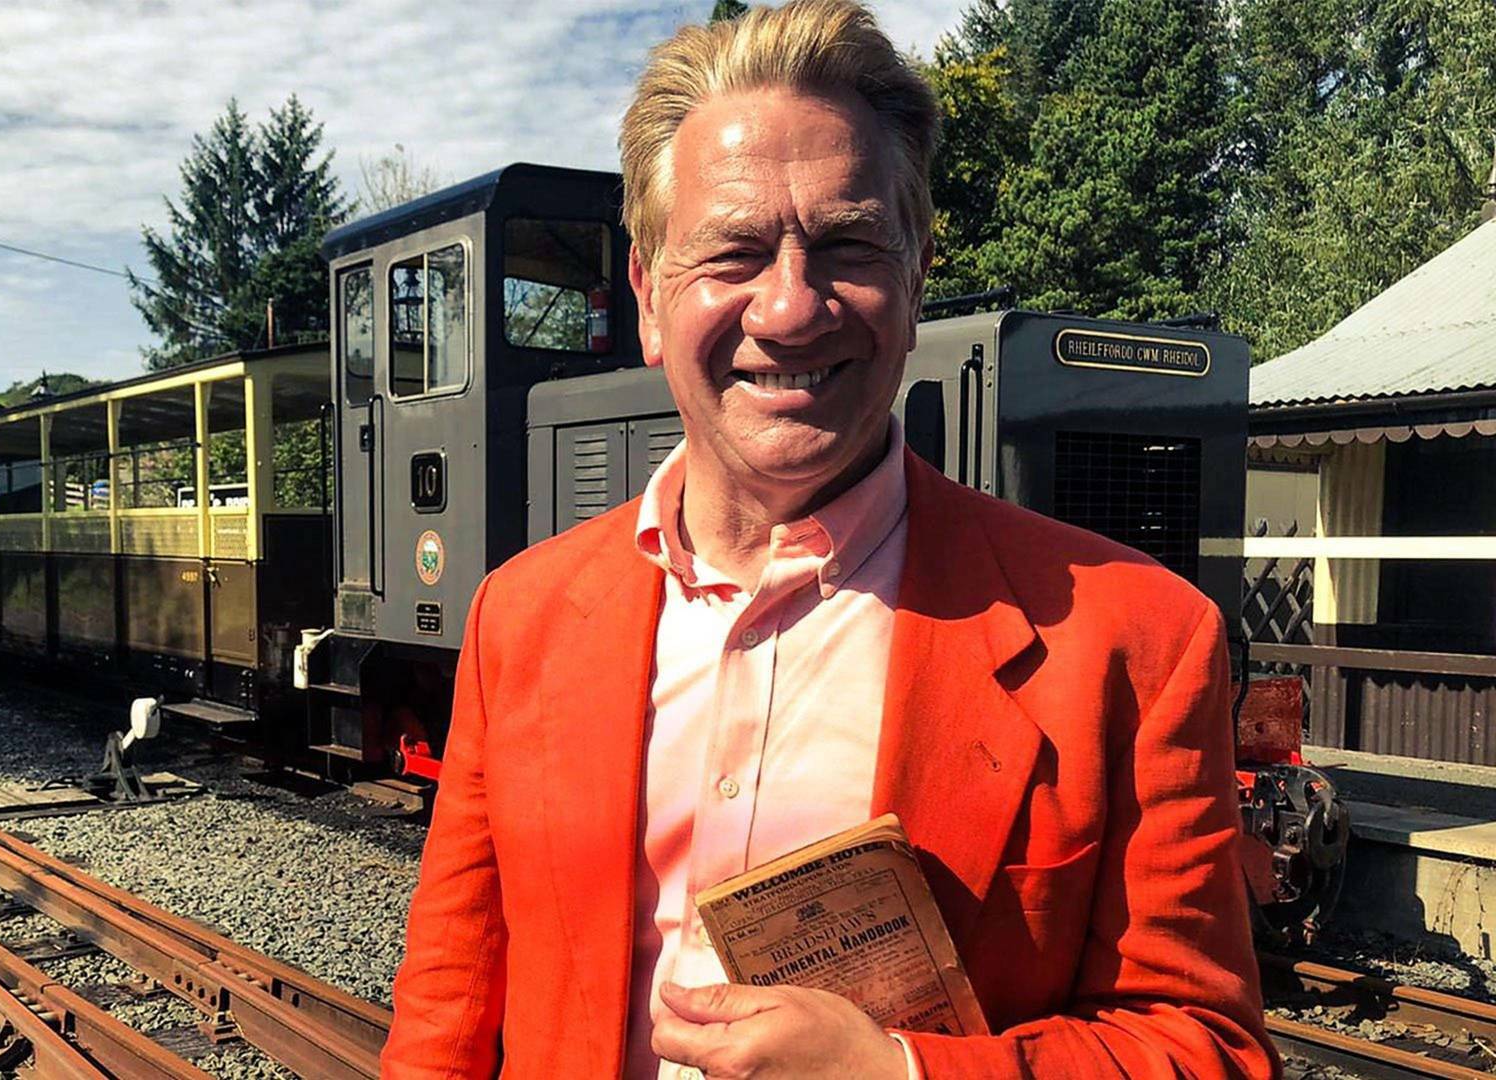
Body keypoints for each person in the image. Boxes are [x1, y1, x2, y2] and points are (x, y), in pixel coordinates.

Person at [382, 2, 1277, 1077]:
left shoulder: (1134, 641)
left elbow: (1207, 1050)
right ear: (649, 296)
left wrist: (902, 1072)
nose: (792, 308)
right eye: (734, 253)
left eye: (849, 244)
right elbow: (450, 1003)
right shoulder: (518, 619)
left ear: (917, 274)